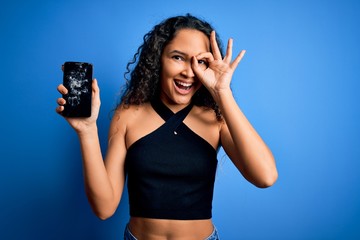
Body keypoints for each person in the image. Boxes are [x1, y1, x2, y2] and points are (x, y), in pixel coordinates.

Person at [56, 14, 278, 240]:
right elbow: (104, 208)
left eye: (200, 61)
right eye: (178, 57)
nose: (189, 72)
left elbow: (265, 176)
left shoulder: (215, 119)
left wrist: (222, 93)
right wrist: (87, 130)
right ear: (158, 59)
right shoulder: (128, 115)